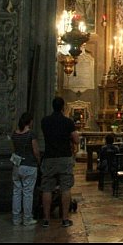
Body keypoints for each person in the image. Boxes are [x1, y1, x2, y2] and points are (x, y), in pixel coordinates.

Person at [40, 96, 80, 228]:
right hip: (64, 158)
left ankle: (46, 219)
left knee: (47, 188)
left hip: (49, 157)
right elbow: (76, 140)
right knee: (65, 188)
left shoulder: (45, 121)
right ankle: (65, 219)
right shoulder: (68, 122)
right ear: (63, 107)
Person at [11, 111, 40, 226]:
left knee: (16, 192)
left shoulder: (15, 134)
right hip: (29, 165)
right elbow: (35, 151)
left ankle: (16, 218)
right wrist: (38, 161)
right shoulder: (31, 134)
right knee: (28, 192)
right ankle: (27, 218)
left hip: (17, 165)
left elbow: (13, 149)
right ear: (30, 121)